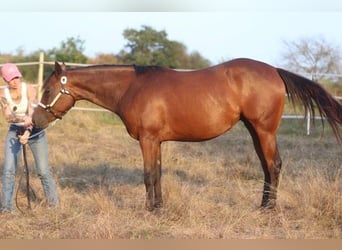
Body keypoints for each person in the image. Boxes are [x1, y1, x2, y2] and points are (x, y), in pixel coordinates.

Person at [0, 63, 58, 212]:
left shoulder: (29, 89)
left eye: (16, 77)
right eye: (11, 79)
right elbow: (8, 116)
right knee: (8, 170)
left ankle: (53, 205)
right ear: (5, 80)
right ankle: (6, 208)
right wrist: (21, 123)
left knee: (43, 171)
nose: (15, 81)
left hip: (35, 130)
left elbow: (33, 112)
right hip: (15, 131)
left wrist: (27, 132)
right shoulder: (2, 94)